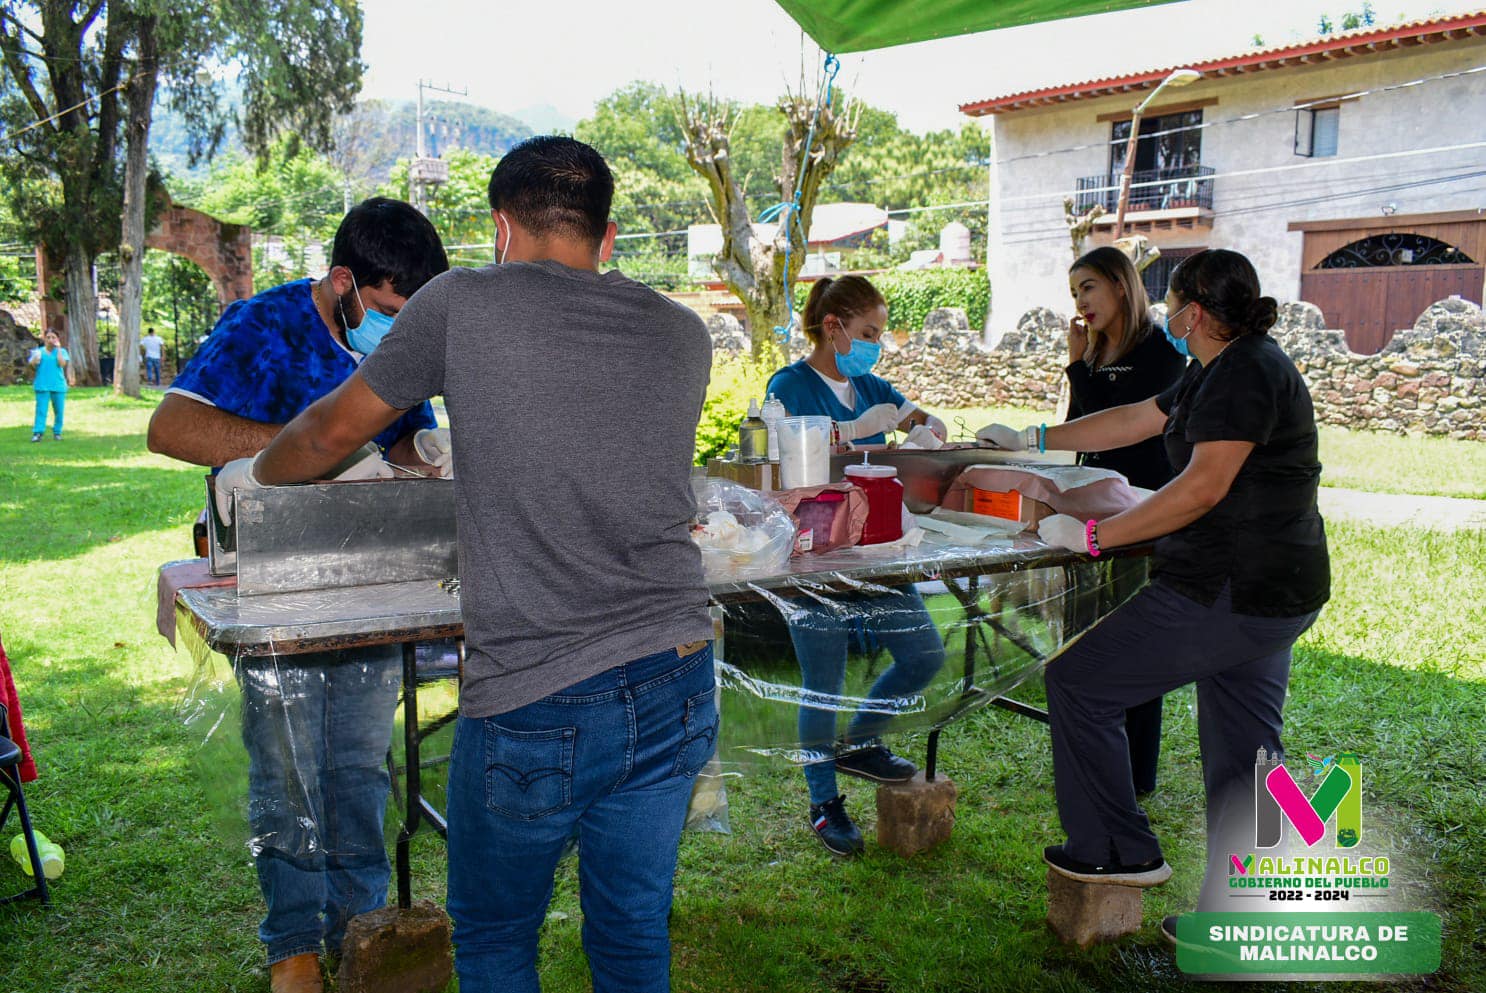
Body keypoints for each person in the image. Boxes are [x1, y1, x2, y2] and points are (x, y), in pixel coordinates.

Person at [250, 136, 716, 993]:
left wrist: (258, 482)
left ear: (501, 228)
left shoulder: (462, 302)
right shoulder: (683, 332)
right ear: (607, 239)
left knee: (499, 939)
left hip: (537, 690)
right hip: (676, 675)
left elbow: (325, 434)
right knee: (632, 929)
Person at [978, 249, 1329, 939]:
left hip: (1228, 585)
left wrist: (1095, 537)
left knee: (1079, 679)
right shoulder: (1223, 367)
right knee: (1246, 751)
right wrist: (1036, 437)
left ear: (1196, 311)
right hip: (1277, 590)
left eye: (1173, 305)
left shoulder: (1247, 372)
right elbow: (1135, 418)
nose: (1167, 316)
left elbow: (1202, 488)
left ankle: (1115, 850)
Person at [147, 197, 450, 993]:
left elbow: (402, 442)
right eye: (385, 312)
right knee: (288, 770)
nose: (394, 331)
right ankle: (293, 949)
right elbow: (171, 428)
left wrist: (426, 449)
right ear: (344, 281)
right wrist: (314, 449)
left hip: (369, 582)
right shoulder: (263, 325)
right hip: (274, 586)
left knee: (357, 766)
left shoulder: (396, 342)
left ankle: (363, 930)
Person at [765, 275, 947, 856]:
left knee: (924, 654)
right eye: (867, 332)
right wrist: (850, 431)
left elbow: (919, 417)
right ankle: (823, 801)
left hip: (875, 553)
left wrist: (926, 428)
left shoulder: (871, 382)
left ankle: (861, 740)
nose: (874, 344)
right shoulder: (789, 385)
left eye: (878, 334)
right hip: (812, 555)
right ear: (833, 326)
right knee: (823, 685)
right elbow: (781, 460)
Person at [1063, 246, 1188, 797]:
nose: (1081, 302)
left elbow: (1131, 427)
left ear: (1120, 285)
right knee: (1091, 636)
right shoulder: (1093, 351)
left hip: (1141, 507)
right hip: (1091, 502)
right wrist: (1078, 363)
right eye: (1074, 293)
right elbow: (1077, 428)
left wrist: (1079, 367)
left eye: (1088, 287)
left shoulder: (1162, 351)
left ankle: (1137, 774)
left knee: (1135, 642)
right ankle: (1096, 758)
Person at [28, 329, 71, 442]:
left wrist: (58, 349)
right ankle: (38, 432)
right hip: (42, 385)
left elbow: (62, 364)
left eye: (53, 337)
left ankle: (57, 432)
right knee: (41, 410)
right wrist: (33, 362)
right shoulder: (38, 352)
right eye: (48, 337)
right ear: (44, 339)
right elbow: (32, 367)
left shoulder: (62, 351)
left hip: (58, 385)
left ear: (57, 339)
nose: (51, 340)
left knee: (59, 410)